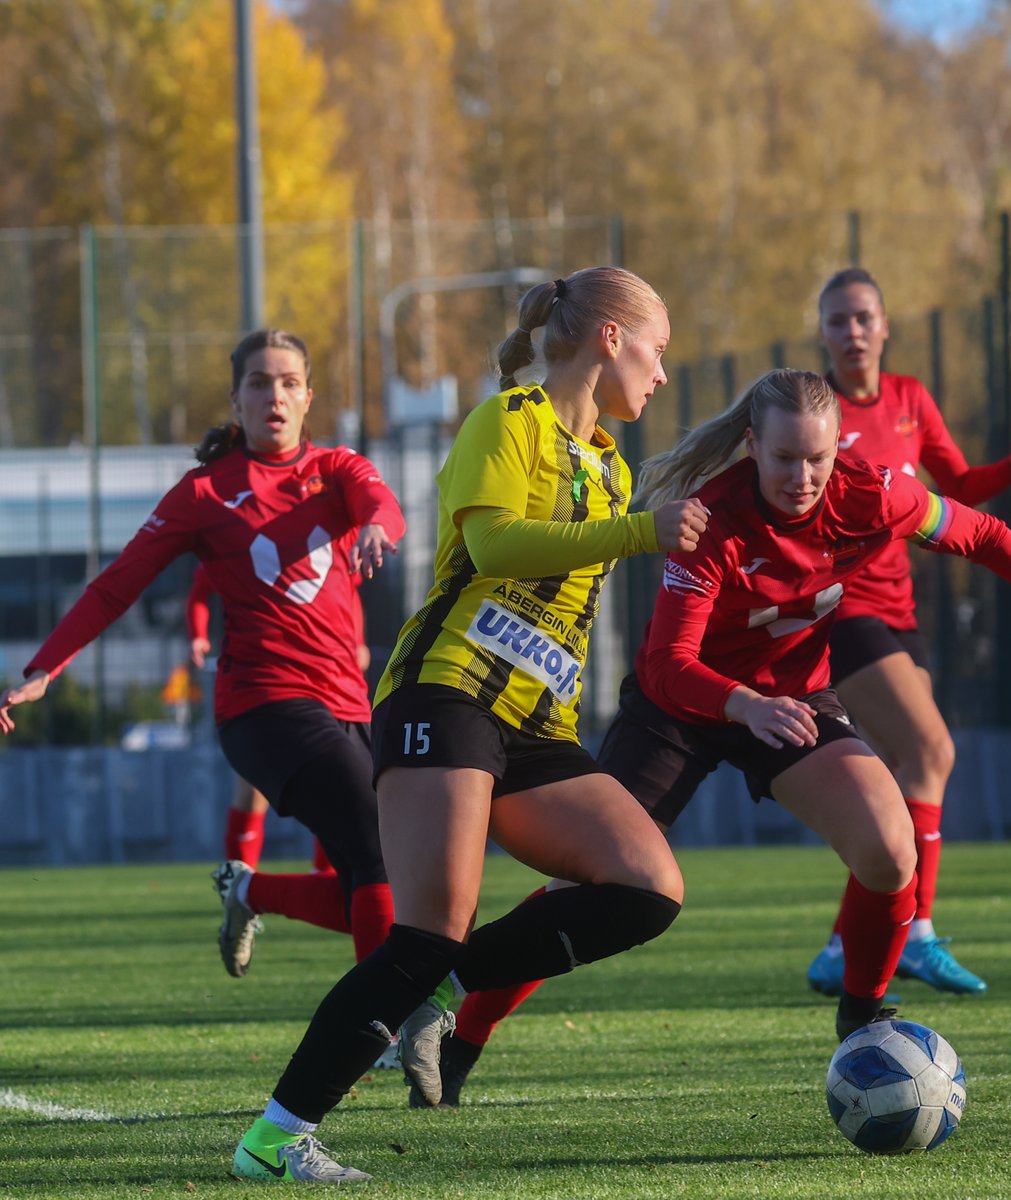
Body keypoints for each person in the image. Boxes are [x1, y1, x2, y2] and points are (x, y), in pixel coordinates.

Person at [426, 367, 1011, 1110]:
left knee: (890, 852)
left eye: (817, 460)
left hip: (791, 703)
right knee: (587, 887)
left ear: (837, 451)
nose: (801, 477)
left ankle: (861, 1016)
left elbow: (979, 532)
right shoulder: (710, 519)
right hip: (678, 711)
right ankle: (461, 1042)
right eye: (784, 458)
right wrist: (742, 705)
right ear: (753, 445)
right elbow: (669, 665)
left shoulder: (873, 491)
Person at [227, 266, 710, 1183]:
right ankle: (273, 1140)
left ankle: (445, 991)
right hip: (444, 696)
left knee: (647, 887)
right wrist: (640, 532)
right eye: (655, 350)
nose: (657, 374)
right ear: (609, 336)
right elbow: (493, 544)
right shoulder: (508, 420)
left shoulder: (605, 462)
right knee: (424, 933)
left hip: (533, 725)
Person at [0, 329, 406, 986]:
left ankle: (251, 894)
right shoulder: (205, 493)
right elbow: (116, 583)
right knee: (375, 841)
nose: (273, 394)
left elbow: (381, 504)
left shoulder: (337, 467)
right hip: (263, 705)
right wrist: (46, 668)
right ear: (235, 398)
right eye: (258, 382)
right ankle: (387, 1024)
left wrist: (375, 527)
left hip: (348, 701)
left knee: (381, 879)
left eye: (288, 382)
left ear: (308, 397)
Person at [807, 266, 1011, 997]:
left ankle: (840, 944)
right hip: (843, 609)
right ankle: (914, 932)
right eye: (837, 320)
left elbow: (951, 488)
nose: (852, 331)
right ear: (822, 334)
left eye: (863, 317)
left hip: (901, 612)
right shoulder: (813, 408)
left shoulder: (908, 398)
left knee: (906, 776)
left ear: (884, 326)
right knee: (931, 750)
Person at [187, 561, 362, 875]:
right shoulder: (239, 536)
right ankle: (240, 888)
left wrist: (357, 640)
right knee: (252, 791)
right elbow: (200, 589)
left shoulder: (323, 533)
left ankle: (328, 878)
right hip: (267, 682)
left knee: (338, 784)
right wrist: (197, 634)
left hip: (325, 678)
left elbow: (349, 589)